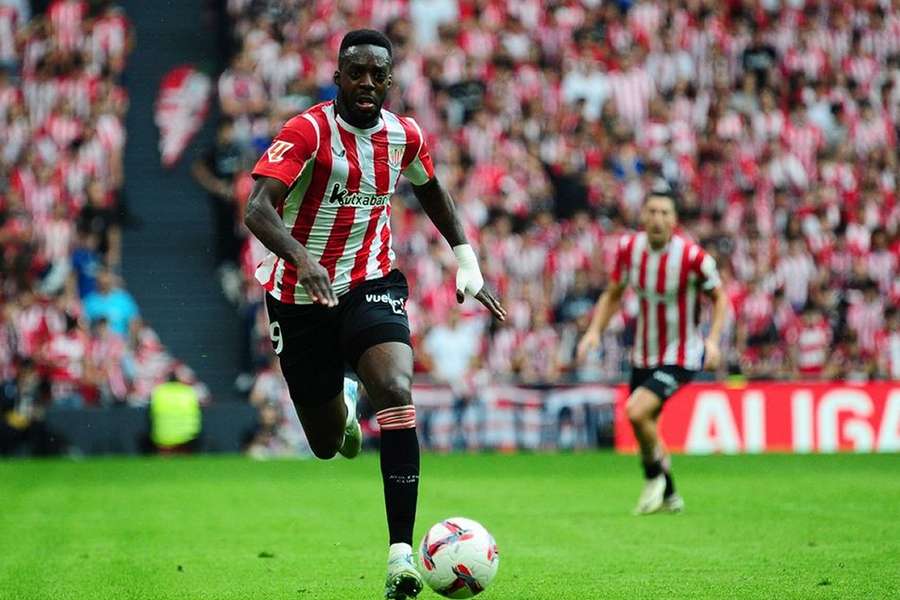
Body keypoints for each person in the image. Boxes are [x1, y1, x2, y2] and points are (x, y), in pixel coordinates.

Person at [243, 30, 506, 599]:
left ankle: (400, 556)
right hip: (297, 293)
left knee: (395, 385)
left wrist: (467, 260)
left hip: (370, 280)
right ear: (337, 76)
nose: (365, 83)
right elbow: (257, 209)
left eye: (376, 75)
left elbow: (433, 191)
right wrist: (302, 259)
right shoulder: (307, 131)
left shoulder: (404, 136)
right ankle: (343, 405)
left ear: (390, 81)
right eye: (354, 72)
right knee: (322, 443)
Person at [577, 183, 727, 515]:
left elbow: (720, 298)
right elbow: (614, 293)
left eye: (664, 213)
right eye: (652, 211)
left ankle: (653, 477)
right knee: (645, 425)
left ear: (675, 220)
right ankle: (671, 495)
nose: (657, 218)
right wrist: (594, 331)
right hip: (644, 353)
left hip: (682, 353)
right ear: (643, 215)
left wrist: (713, 339)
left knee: (635, 411)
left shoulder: (692, 257)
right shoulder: (630, 248)